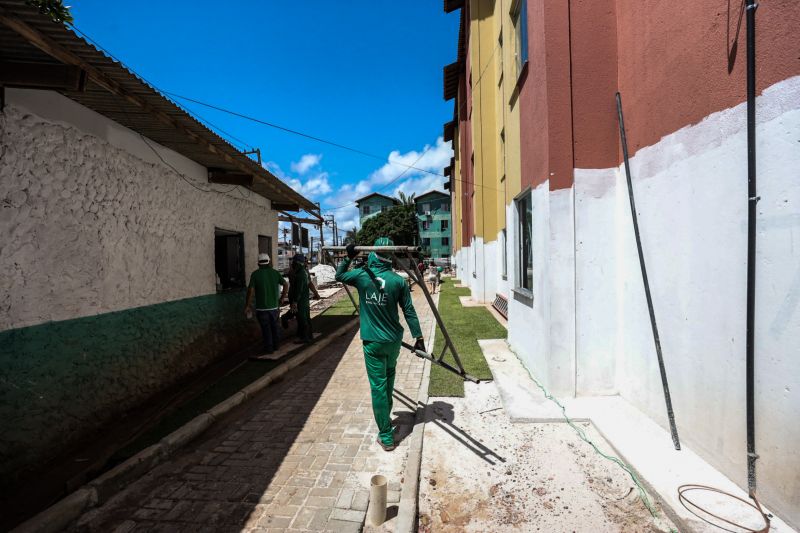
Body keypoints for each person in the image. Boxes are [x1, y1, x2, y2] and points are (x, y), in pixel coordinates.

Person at [335, 237, 425, 452]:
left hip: (373, 342)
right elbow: (409, 311)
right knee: (389, 379)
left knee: (378, 387)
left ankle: (386, 435)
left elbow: (339, 275)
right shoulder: (398, 281)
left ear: (373, 254)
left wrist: (348, 257)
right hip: (393, 342)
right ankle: (385, 416)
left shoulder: (362, 276)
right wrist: (419, 338)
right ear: (390, 256)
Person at [244, 253, 288, 354]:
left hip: (261, 309)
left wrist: (247, 305)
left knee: (266, 329)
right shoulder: (275, 273)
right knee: (275, 327)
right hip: (274, 308)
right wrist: (282, 298)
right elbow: (285, 284)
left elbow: (250, 291)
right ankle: (276, 346)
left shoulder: (255, 274)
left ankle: (269, 348)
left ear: (258, 263)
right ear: (269, 262)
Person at [289, 253, 313, 343]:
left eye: (294, 262)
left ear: (297, 263)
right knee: (306, 317)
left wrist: (295, 301)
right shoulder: (304, 272)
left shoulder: (300, 274)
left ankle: (305, 337)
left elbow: (298, 290)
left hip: (300, 300)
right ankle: (309, 336)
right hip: (304, 299)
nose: (292, 264)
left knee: (302, 318)